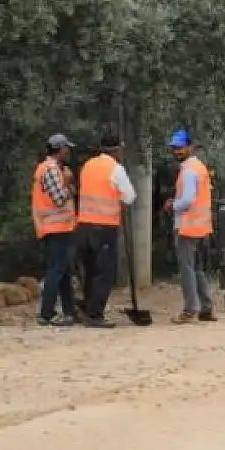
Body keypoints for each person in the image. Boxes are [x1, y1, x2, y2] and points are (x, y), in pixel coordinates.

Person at [76, 131, 138, 329]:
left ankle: (87, 308)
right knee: (104, 272)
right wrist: (119, 203)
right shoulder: (115, 169)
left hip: (84, 225)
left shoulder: (87, 166)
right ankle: (95, 314)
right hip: (104, 227)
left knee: (91, 270)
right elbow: (129, 196)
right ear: (116, 149)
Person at [164, 128, 217, 324]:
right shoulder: (199, 167)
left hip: (188, 226)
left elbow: (187, 200)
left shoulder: (187, 171)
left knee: (187, 269)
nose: (177, 151)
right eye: (175, 148)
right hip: (201, 227)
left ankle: (190, 309)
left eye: (180, 148)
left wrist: (172, 206)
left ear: (190, 147)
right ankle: (206, 308)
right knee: (197, 269)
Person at [31, 133, 79, 326]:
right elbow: (59, 199)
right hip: (54, 227)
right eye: (66, 148)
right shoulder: (50, 169)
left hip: (60, 227)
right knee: (56, 270)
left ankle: (69, 310)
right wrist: (69, 187)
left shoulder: (53, 168)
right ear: (59, 149)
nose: (69, 152)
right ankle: (46, 313)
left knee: (64, 270)